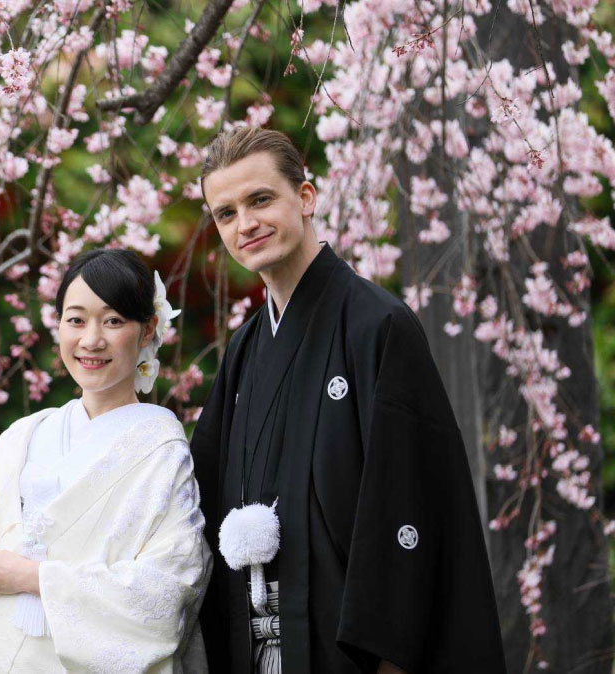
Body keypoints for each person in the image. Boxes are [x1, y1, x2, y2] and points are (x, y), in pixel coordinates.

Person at [190, 126, 506, 673]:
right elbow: (201, 495)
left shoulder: (377, 326)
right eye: (226, 213)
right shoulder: (243, 350)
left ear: (306, 197)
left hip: (349, 655)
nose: (247, 224)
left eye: (260, 199)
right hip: (252, 651)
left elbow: (410, 506)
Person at [0, 249, 211, 673]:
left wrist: (34, 578)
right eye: (76, 319)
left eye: (114, 320)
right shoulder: (26, 436)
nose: (91, 340)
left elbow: (167, 589)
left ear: (147, 331)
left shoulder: (160, 448)